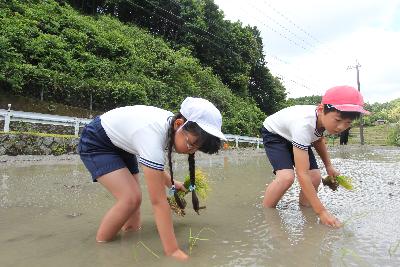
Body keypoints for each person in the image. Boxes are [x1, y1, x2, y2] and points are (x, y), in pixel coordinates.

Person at [78, 97, 226, 260]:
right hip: (97, 142)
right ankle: (101, 247)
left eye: (197, 149)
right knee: (130, 199)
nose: (191, 151)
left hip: (122, 143)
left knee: (134, 211)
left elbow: (154, 167)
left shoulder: (168, 128)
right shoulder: (152, 136)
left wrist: (172, 183)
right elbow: (158, 202)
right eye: (191, 144)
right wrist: (172, 251)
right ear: (178, 124)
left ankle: (128, 243)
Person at [261, 85, 369, 228]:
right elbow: (301, 173)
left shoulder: (323, 120)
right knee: (286, 177)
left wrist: (328, 166)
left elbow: (318, 139)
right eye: (337, 120)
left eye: (347, 123)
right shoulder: (304, 125)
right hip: (275, 134)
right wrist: (322, 212)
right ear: (321, 109)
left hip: (298, 137)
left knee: (315, 177)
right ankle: (266, 214)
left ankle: (305, 210)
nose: (341, 127)